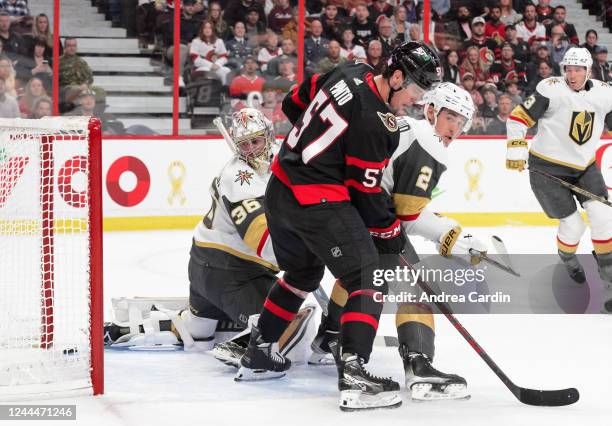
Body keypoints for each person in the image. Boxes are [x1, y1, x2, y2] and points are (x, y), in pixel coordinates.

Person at [236, 41, 442, 411]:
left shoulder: (351, 70)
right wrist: (389, 231)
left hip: (281, 189)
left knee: (302, 274)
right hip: (316, 201)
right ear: (396, 77)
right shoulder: (379, 124)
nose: (414, 99)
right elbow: (364, 193)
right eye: (414, 88)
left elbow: (293, 103)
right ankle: (355, 374)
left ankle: (259, 353)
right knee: (368, 274)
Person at [310, 83, 481, 402]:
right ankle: (419, 364)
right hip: (366, 215)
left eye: (462, 121)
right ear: (431, 110)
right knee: (413, 286)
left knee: (357, 277)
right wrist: (452, 236)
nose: (455, 128)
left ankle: (329, 337)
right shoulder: (427, 140)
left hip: (338, 209)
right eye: (451, 117)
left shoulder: (405, 128)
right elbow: (408, 215)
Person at [189, 108, 315, 365]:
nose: (251, 150)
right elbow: (263, 240)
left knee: (201, 336)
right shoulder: (238, 177)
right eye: (244, 144)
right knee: (297, 345)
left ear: (269, 137)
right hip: (228, 272)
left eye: (255, 141)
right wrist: (306, 259)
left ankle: (203, 320)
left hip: (211, 266)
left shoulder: (281, 159)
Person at [506, 47, 612, 313]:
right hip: (547, 170)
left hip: (585, 167)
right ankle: (568, 258)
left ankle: (609, 283)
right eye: (568, 69)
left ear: (589, 70)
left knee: (602, 217)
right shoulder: (550, 89)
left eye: (578, 69)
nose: (572, 74)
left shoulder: (604, 93)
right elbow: (518, 118)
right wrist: (516, 149)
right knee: (574, 226)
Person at [189, 20, 231, 85]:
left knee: (226, 70)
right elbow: (195, 59)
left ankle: (224, 91)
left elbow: (224, 57)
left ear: (213, 30)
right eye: (205, 28)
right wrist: (210, 65)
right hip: (201, 67)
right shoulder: (196, 41)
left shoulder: (219, 41)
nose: (207, 30)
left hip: (216, 66)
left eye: (209, 28)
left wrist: (218, 64)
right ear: (202, 30)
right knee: (206, 71)